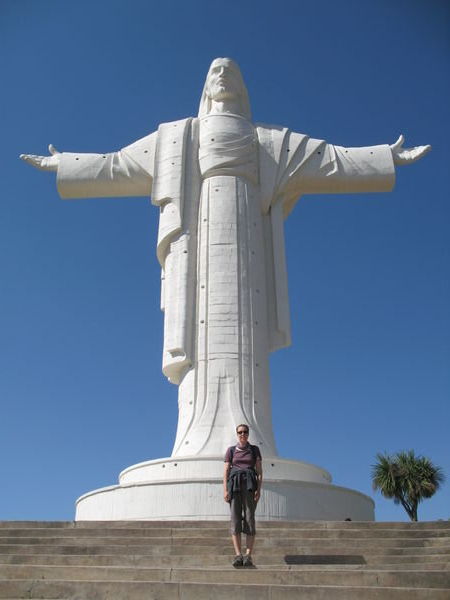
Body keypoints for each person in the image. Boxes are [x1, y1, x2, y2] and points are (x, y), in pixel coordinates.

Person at [20, 58, 431, 461]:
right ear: (206, 86)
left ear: (241, 86)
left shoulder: (269, 139)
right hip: (199, 236)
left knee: (247, 343)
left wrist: (384, 157)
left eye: (229, 70)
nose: (221, 74)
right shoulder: (177, 137)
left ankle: (255, 440)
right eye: (214, 70)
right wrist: (66, 164)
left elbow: (330, 160)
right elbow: (118, 165)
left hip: (247, 232)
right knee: (201, 348)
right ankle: (195, 439)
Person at [224, 424, 262, 567]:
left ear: (248, 434)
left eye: (245, 432)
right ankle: (238, 554)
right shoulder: (231, 451)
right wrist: (225, 490)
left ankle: (248, 555)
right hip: (234, 485)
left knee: (249, 518)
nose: (242, 434)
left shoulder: (254, 450)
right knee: (235, 519)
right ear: (237, 434)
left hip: (250, 485)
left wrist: (259, 489)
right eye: (240, 432)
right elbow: (226, 471)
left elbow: (259, 471)